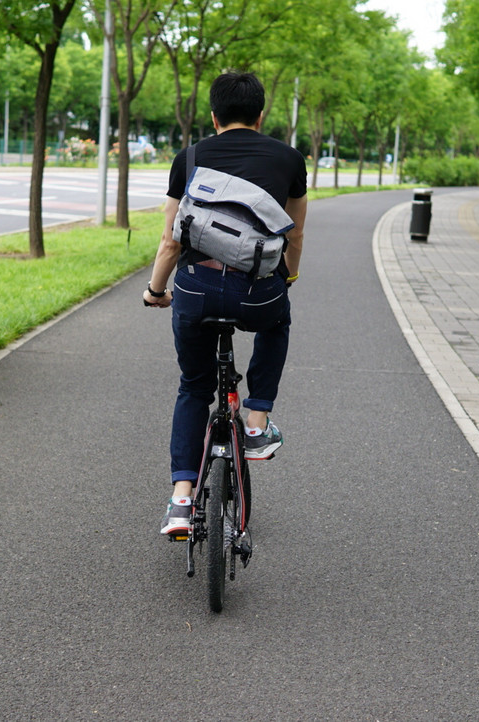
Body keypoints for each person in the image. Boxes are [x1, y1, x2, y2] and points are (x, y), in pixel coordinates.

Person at [143, 71, 308, 537]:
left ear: (213, 116)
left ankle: (179, 501)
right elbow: (294, 235)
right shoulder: (289, 159)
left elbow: (170, 240)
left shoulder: (190, 157)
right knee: (278, 322)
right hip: (259, 292)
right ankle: (256, 421)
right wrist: (286, 278)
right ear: (261, 116)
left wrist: (156, 291)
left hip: (195, 291)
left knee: (194, 387)